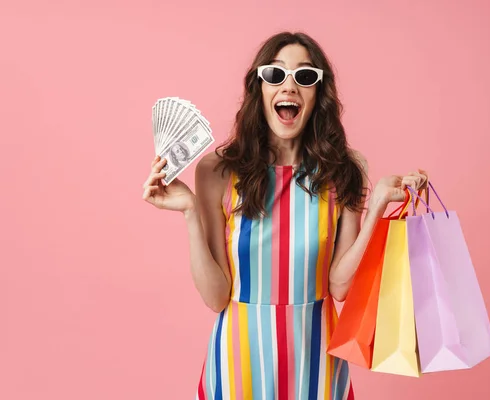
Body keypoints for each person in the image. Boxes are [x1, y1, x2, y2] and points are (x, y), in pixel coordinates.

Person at [142, 31, 428, 400]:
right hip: (239, 360)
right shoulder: (218, 171)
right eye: (275, 75)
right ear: (259, 89)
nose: (289, 86)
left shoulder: (345, 169)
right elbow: (216, 298)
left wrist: (375, 211)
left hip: (316, 359)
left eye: (305, 76)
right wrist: (189, 212)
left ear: (317, 95)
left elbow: (339, 286)